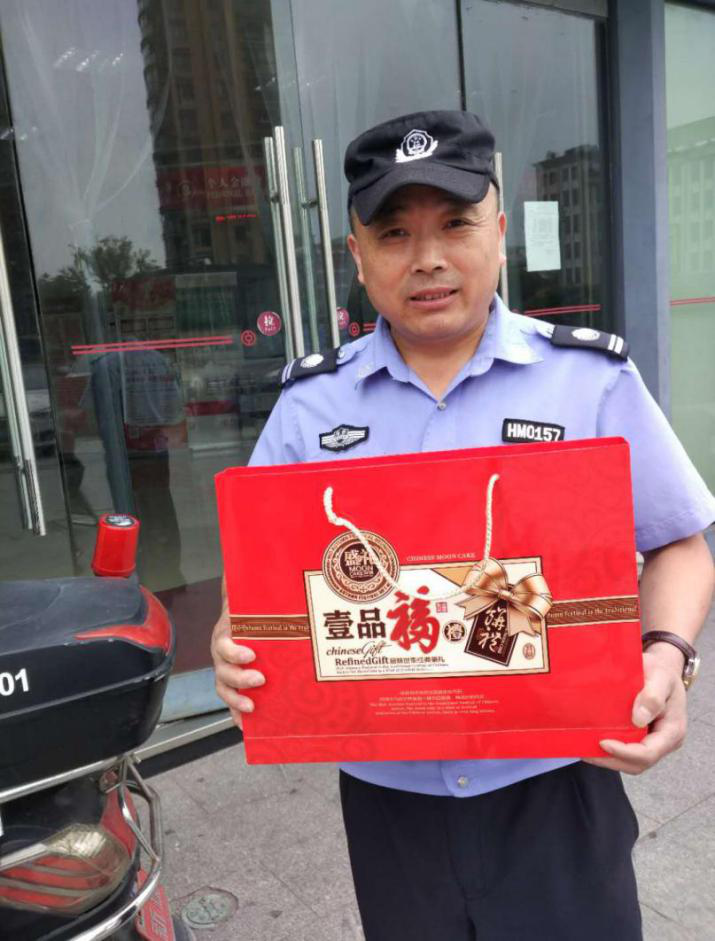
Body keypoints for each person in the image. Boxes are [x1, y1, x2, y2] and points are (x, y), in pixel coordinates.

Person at [211, 111, 715, 940]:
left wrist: (667, 654)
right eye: (394, 232)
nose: (428, 258)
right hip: (390, 800)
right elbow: (260, 573)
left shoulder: (587, 380)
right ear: (356, 255)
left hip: (557, 781)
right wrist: (236, 636)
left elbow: (677, 542)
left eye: (454, 223)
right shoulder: (310, 406)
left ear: (500, 232)